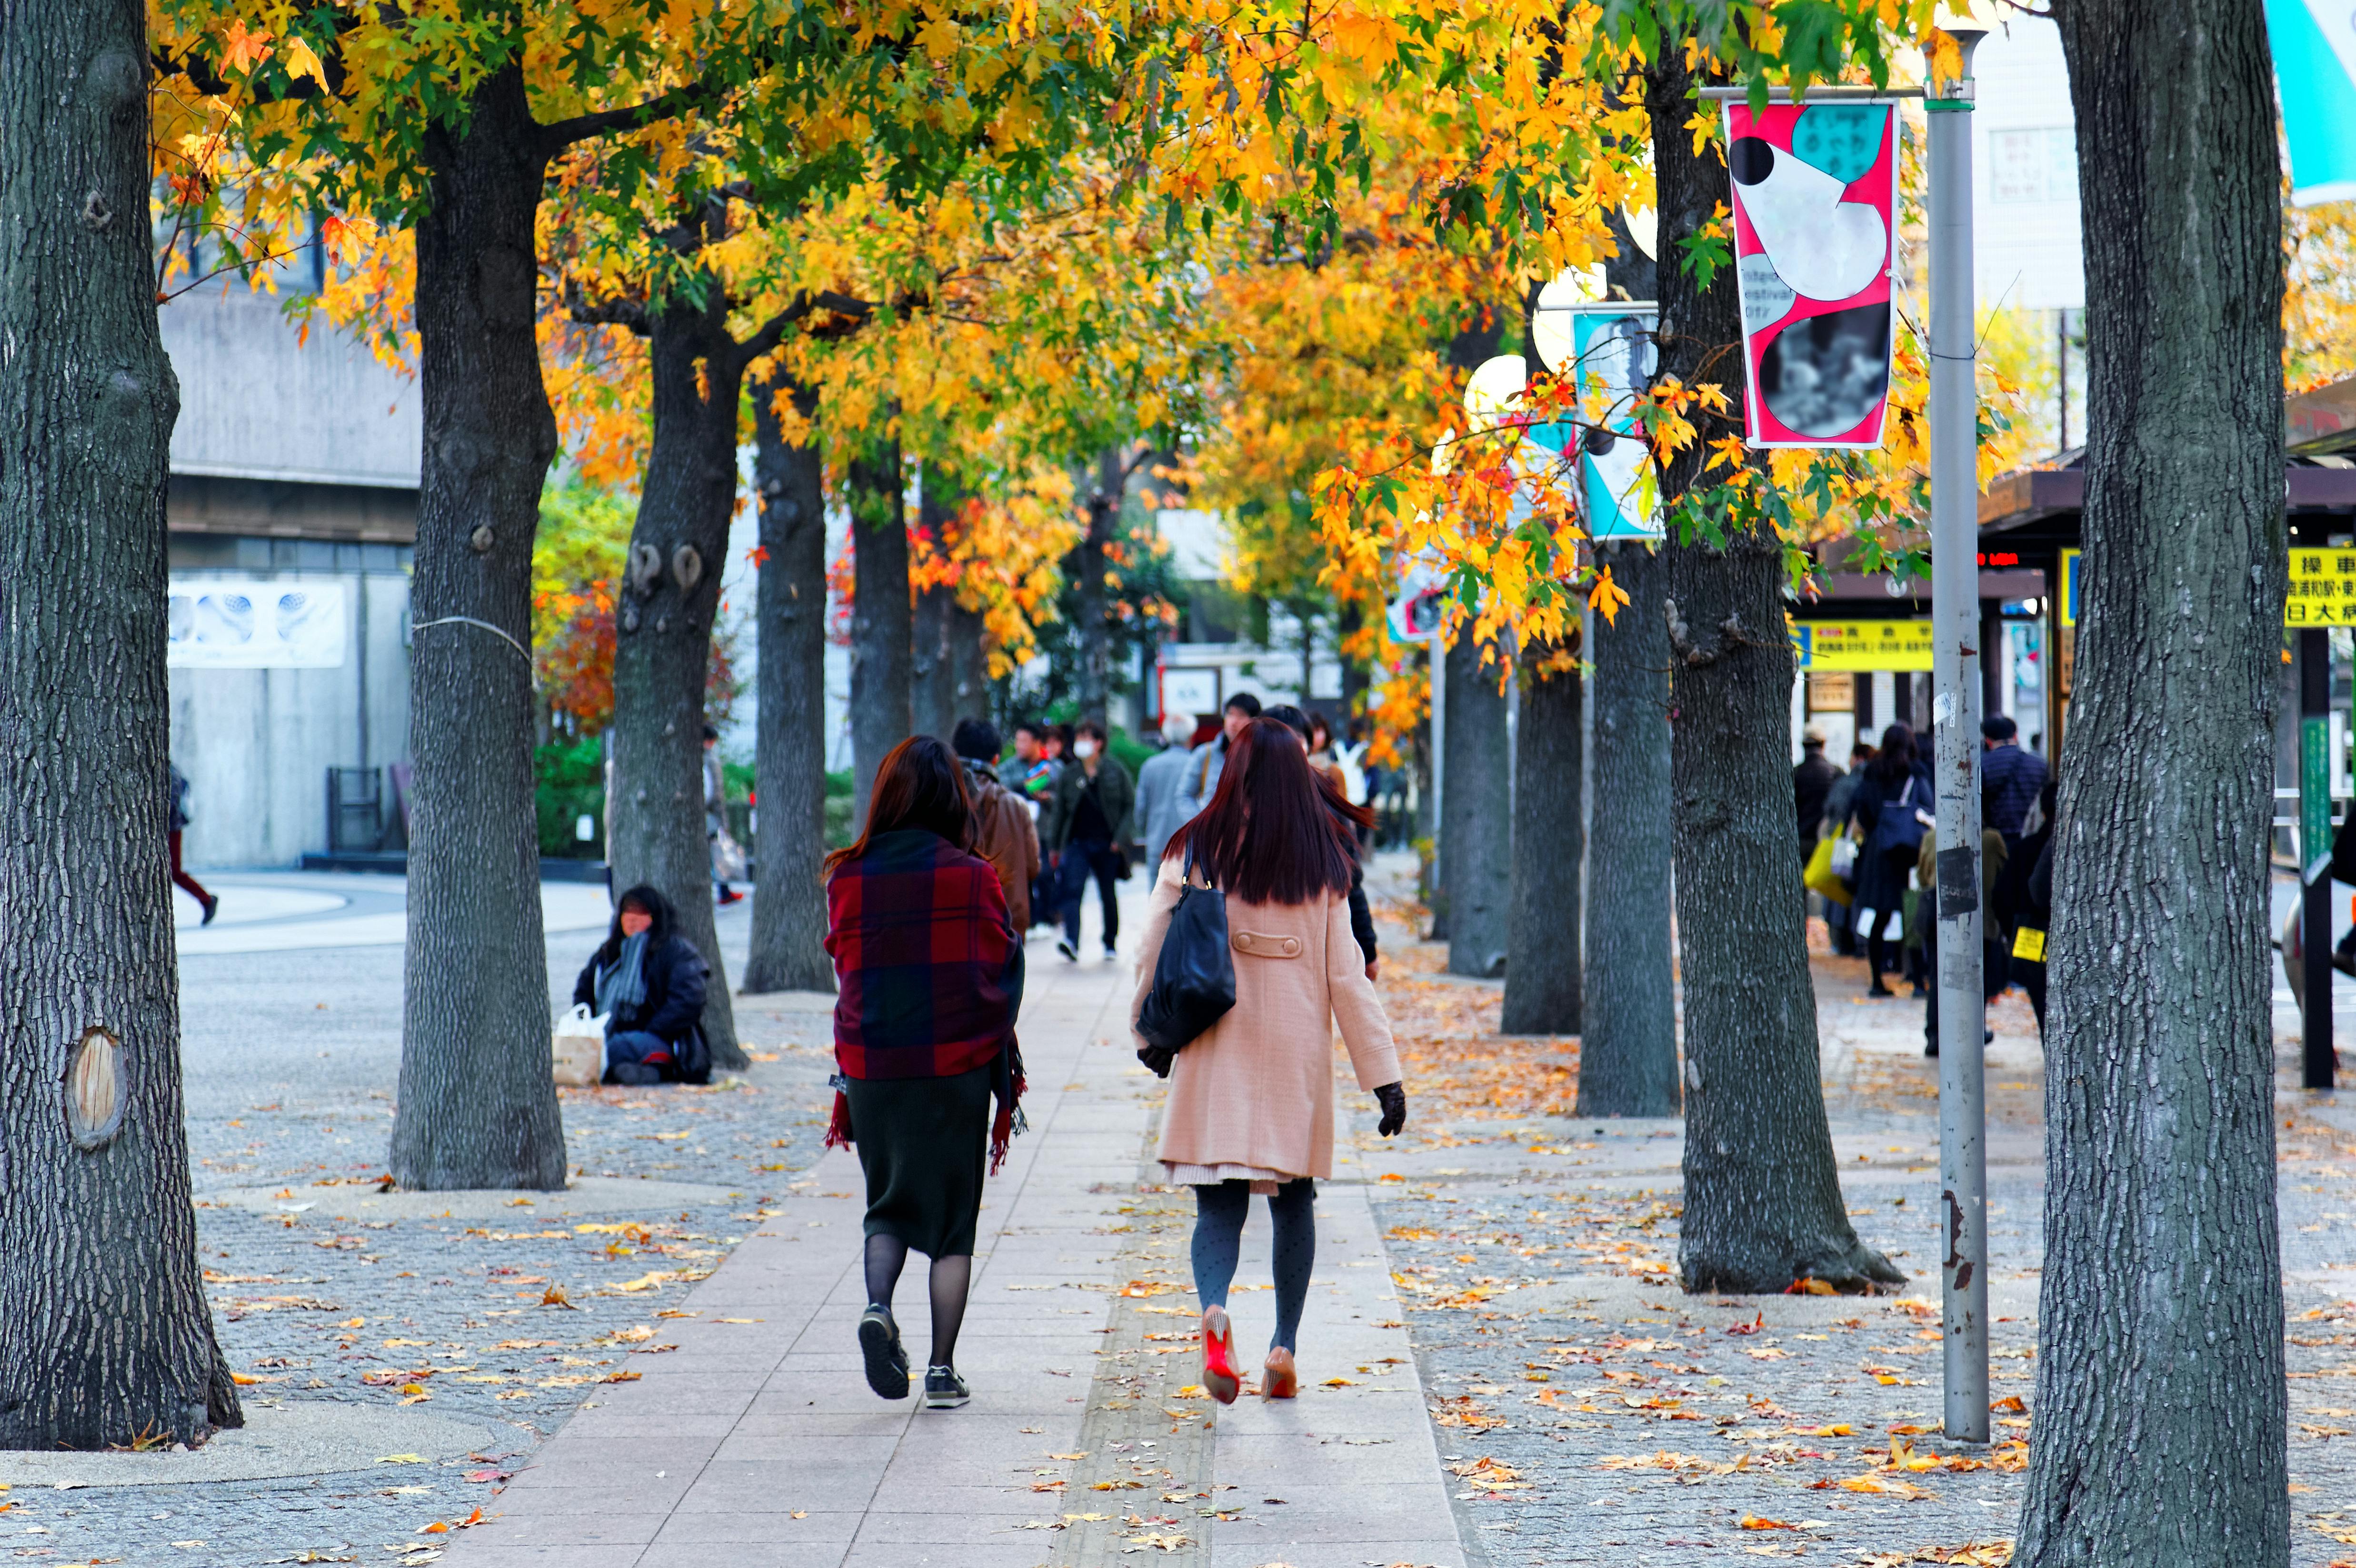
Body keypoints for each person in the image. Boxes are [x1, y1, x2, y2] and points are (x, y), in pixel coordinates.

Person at [1133, 718, 1407, 1405]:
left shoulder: (1197, 844)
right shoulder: (1323, 858)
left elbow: (1151, 944)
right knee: (1295, 1200)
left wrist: (1149, 1034)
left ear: (1234, 769)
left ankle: (1215, 1310)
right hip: (1293, 1048)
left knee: (1217, 1199)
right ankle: (1283, 1345)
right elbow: (1348, 977)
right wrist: (1385, 1076)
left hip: (1212, 1038)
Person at [822, 735, 1026, 1411]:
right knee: (951, 1224)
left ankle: (878, 1305)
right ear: (953, 799)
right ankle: (941, 1369)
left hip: (874, 1069)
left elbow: (847, 970)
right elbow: (1000, 966)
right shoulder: (975, 876)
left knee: (887, 1206)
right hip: (954, 1068)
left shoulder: (847, 877)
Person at [1265, 704, 1380, 977]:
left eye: (1299, 740)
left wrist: (1367, 947)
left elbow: (1350, 879)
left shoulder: (1326, 796)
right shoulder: (1237, 801)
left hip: (1309, 943)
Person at [571, 885, 712, 1085]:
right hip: (609, 1031)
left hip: (660, 1038)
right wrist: (586, 1024)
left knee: (613, 1048)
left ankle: (639, 1068)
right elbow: (584, 989)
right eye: (627, 912)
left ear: (655, 917)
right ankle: (633, 1071)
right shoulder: (609, 952)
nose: (632, 919)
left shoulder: (676, 951)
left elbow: (689, 999)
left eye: (641, 913)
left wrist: (653, 1030)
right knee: (589, 1047)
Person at [1847, 723, 1932, 998]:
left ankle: (1876, 981)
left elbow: (1862, 809)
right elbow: (1927, 808)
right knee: (1913, 913)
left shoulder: (1873, 771)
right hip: (1909, 851)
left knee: (1880, 918)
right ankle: (1918, 980)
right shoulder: (1915, 771)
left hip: (1879, 850)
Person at [1041, 719, 1135, 961]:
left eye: (1087, 739)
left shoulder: (1115, 770)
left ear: (1099, 743)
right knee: (1072, 890)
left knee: (1107, 893)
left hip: (1108, 843)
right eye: (1079, 738)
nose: (1081, 744)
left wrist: (1120, 838)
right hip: (1077, 843)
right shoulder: (1070, 773)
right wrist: (1055, 846)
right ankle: (1071, 940)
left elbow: (1129, 806)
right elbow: (1061, 812)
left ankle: (1110, 943)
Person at [951, 717, 1041, 931]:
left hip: (956, 922)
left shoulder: (942, 799)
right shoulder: (1016, 806)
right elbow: (1033, 866)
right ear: (996, 759)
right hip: (1007, 923)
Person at [999, 722, 1062, 928]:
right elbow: (1000, 782)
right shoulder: (1011, 765)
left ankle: (1047, 916)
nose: (1019, 745)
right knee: (1022, 876)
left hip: (1045, 830)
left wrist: (1047, 798)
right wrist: (1028, 783)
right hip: (1018, 832)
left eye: (1024, 741)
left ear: (1037, 743)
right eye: (1017, 740)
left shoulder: (1052, 766)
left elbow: (1062, 795)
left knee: (1044, 874)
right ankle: (1031, 920)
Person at [1820, 739, 1874, 956]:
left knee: (1841, 891)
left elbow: (1832, 810)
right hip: (1868, 845)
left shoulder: (1844, 783)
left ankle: (1842, 941)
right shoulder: (1873, 780)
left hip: (1846, 844)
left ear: (1857, 757)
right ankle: (1861, 940)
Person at [1177, 692, 1263, 818]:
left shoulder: (1263, 755)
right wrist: (1200, 825)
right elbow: (1184, 795)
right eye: (1230, 714)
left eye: (1241, 716)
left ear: (1255, 721)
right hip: (1213, 834)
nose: (1233, 722)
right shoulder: (1206, 754)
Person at [1134, 712, 1199, 874]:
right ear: (1191, 736)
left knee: (1158, 896)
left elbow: (1141, 808)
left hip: (1157, 839)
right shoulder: (1196, 764)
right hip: (1189, 842)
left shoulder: (1150, 766)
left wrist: (1146, 831)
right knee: (1189, 895)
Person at [1979, 715, 2048, 847]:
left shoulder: (1983, 765)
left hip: (1998, 843)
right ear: (2015, 737)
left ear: (1988, 741)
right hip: (2034, 841)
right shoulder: (2039, 765)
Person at [168, 761, 219, 925]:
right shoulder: (171, 767)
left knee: (174, 871)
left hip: (171, 828)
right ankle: (206, 899)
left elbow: (174, 802)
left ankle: (206, 899)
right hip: (172, 827)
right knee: (173, 872)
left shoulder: (167, 769)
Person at [703, 726, 743, 906]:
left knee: (714, 854)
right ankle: (724, 891)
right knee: (717, 854)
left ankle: (723, 891)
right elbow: (715, 794)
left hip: (707, 815)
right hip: (710, 816)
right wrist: (723, 821)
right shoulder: (709, 760)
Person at [1793, 724, 1840, 863]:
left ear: (1803, 746)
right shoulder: (1836, 773)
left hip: (1802, 839)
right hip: (1827, 841)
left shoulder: (1795, 773)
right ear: (1824, 745)